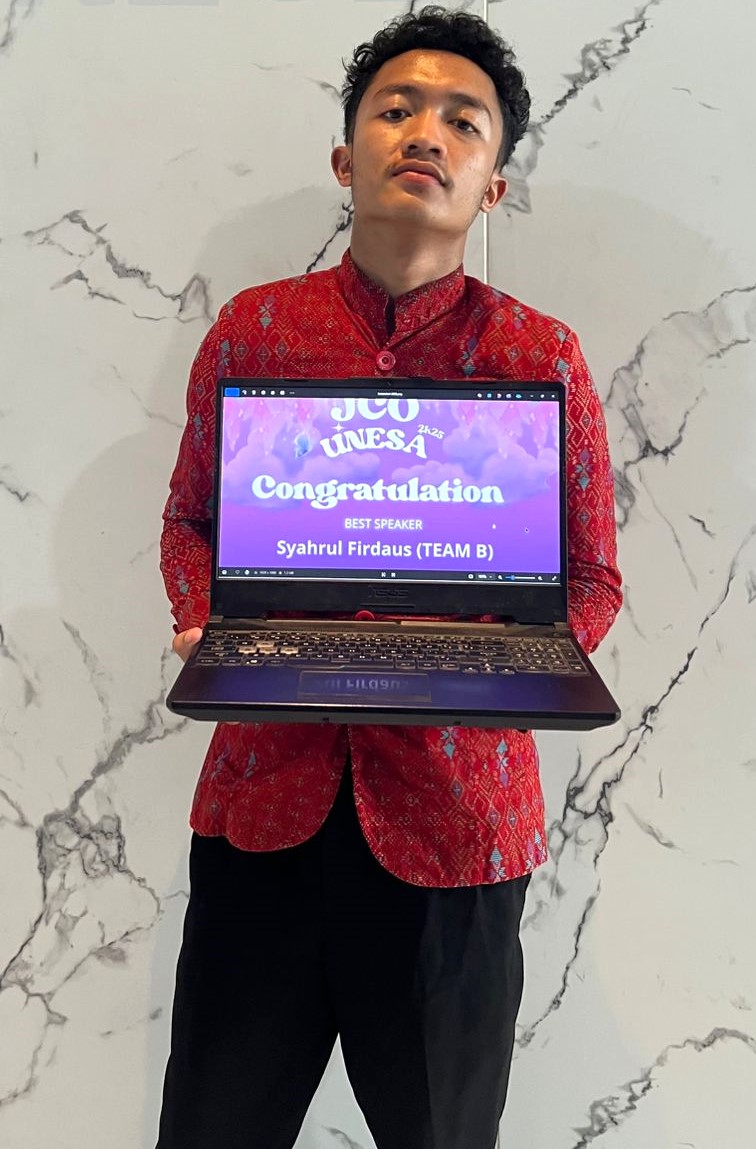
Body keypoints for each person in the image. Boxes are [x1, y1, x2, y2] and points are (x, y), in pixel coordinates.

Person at [157, 7, 622, 1149]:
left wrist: (509, 663)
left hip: (457, 824)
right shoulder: (254, 332)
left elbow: (592, 577)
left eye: (463, 121)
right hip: (264, 805)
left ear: (491, 185)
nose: (426, 133)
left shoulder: (540, 356)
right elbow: (190, 522)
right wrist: (206, 621)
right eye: (396, 109)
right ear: (345, 157)